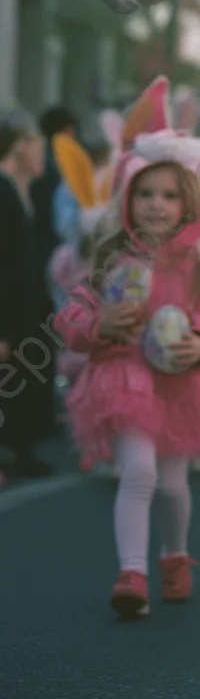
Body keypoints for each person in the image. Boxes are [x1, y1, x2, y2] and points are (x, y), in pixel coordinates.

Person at [53, 126, 200, 618]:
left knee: (171, 485)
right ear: (128, 200)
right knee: (138, 471)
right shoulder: (111, 259)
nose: (156, 205)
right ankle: (132, 573)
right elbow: (69, 319)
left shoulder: (191, 261)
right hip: (123, 377)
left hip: (178, 383)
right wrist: (98, 325)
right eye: (145, 193)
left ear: (188, 205)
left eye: (168, 195)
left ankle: (175, 555)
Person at [0, 112, 54, 478]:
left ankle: (20, 449)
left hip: (24, 316)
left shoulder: (22, 192)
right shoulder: (3, 193)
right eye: (38, 147)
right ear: (20, 146)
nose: (43, 158)